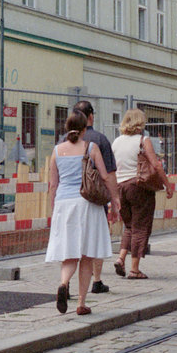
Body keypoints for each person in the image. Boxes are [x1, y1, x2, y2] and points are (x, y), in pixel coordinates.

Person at [46, 110, 117, 315]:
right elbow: (104, 176)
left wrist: (53, 208)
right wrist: (114, 199)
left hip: (64, 204)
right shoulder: (91, 147)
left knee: (69, 253)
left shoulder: (57, 151)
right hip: (87, 204)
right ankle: (81, 304)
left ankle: (63, 283)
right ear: (85, 128)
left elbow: (53, 184)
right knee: (86, 255)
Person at [112, 108, 173, 280]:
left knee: (129, 226)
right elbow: (156, 165)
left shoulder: (116, 142)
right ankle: (135, 269)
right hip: (138, 187)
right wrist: (167, 185)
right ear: (140, 122)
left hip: (120, 187)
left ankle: (120, 258)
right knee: (140, 227)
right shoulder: (142, 140)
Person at [72, 100, 119, 291]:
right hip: (94, 196)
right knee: (96, 238)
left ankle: (67, 281)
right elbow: (109, 174)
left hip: (70, 198)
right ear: (91, 116)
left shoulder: (63, 141)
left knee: (75, 239)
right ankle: (96, 280)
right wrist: (115, 200)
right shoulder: (100, 140)